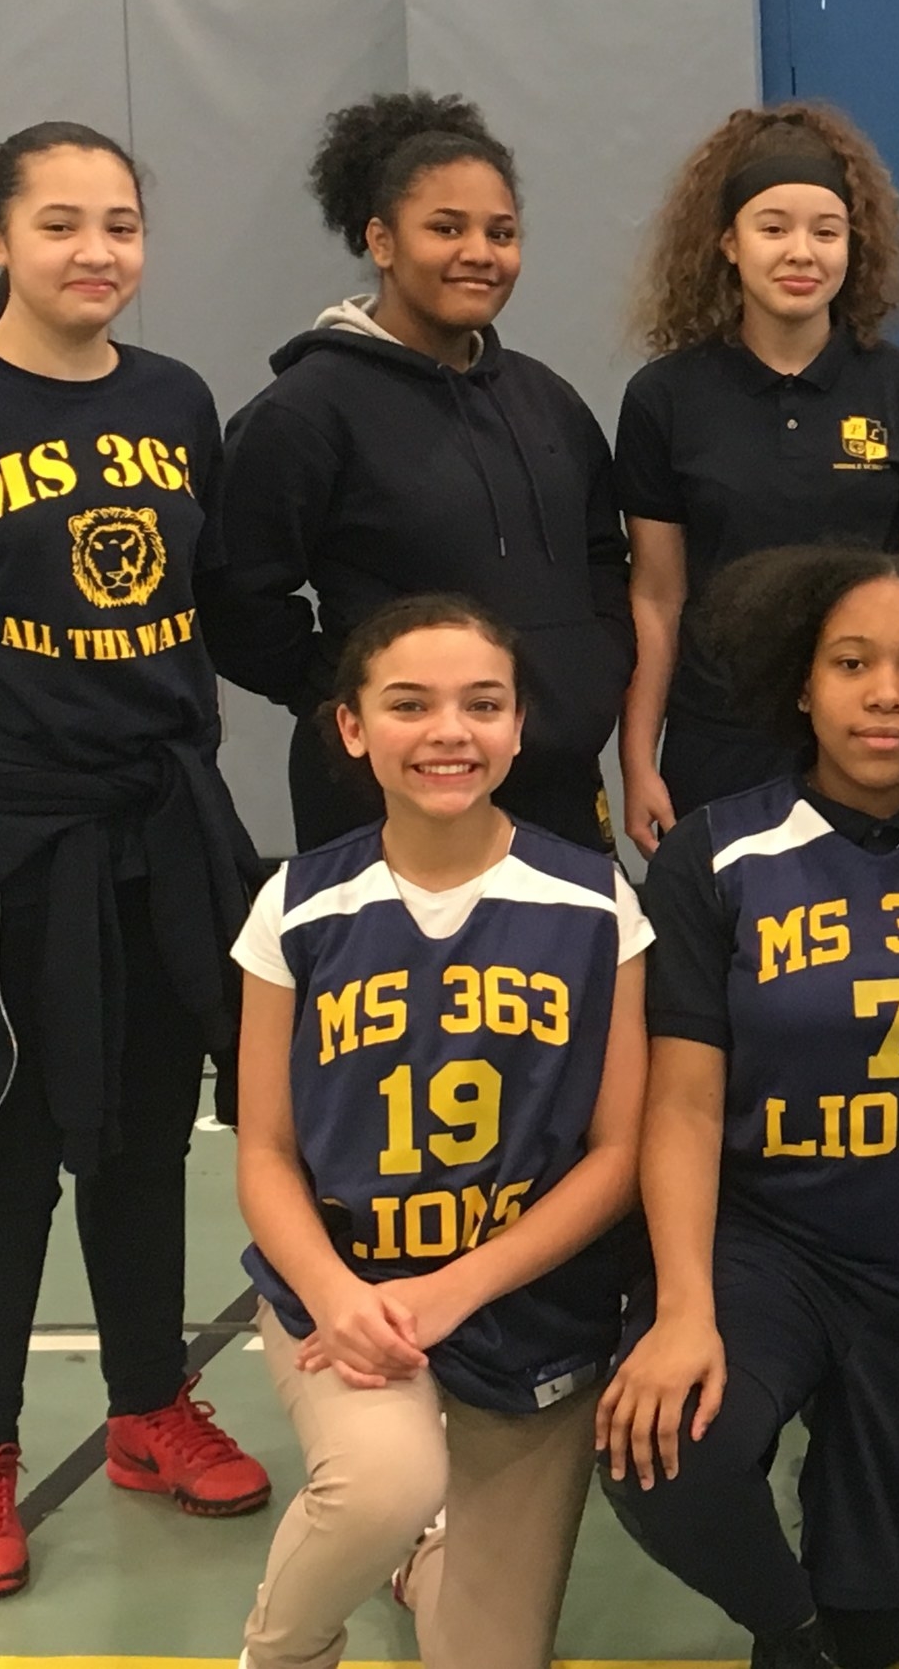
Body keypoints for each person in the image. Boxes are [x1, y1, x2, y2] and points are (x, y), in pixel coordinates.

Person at [0, 123, 273, 1600]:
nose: (94, 250)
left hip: (155, 820)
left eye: (119, 223)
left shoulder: (176, 400)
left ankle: (145, 1407)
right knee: (1, 1146)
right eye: (60, 224)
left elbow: (197, 608)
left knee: (140, 1141)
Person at [598, 546, 899, 1669]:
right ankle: (789, 1636)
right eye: (851, 663)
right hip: (774, 1253)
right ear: (800, 682)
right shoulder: (718, 853)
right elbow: (682, 1105)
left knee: (887, 1622)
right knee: (664, 1453)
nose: (886, 694)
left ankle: (845, 1601)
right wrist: (680, 1309)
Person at [232, 596, 651, 1669]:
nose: (449, 733)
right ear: (353, 729)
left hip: (527, 1303)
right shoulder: (299, 904)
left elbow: (616, 1158)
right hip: (351, 1293)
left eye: (483, 705)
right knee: (385, 1479)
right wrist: (338, 1295)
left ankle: (421, 1565)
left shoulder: (597, 904)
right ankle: (284, 1647)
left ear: (519, 728)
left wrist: (459, 1286)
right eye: (409, 706)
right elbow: (267, 1153)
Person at [207, 91, 634, 852]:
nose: (480, 252)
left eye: (501, 233)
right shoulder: (306, 410)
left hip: (557, 789)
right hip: (383, 805)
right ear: (381, 240)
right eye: (446, 228)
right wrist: (355, 692)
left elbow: (603, 555)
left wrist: (589, 674)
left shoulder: (549, 401)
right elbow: (237, 596)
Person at [614, 105, 899, 849]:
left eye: (825, 232)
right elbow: (657, 597)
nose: (801, 253)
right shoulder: (665, 398)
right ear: (727, 244)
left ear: (852, 246)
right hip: (720, 742)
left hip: (876, 738)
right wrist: (638, 760)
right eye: (773, 228)